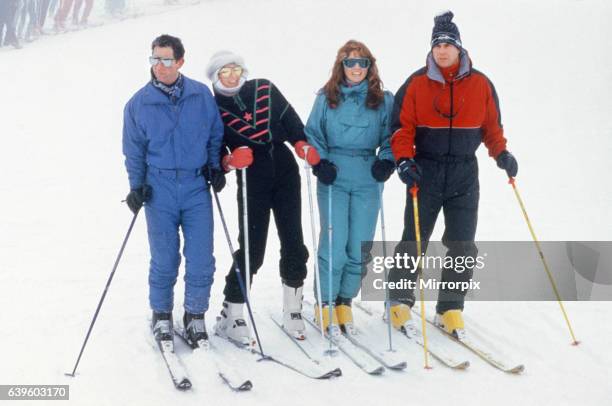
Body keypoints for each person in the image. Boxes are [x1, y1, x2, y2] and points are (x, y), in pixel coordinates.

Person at [388, 11, 518, 338]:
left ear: (459, 48)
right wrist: (404, 161)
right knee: (414, 240)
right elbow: (402, 129)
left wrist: (501, 153)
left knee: (463, 245)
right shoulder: (416, 83)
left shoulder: (481, 85)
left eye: (448, 44)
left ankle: (449, 307)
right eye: (437, 45)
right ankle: (399, 299)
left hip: (464, 172)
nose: (442, 50)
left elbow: (492, 128)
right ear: (431, 50)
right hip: (426, 170)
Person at [205, 51, 320, 343]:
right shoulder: (212, 107)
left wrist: (301, 144)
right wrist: (229, 161)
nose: (231, 76)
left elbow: (292, 122)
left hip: (283, 168)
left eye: (235, 69)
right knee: (252, 247)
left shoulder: (264, 88)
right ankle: (233, 311)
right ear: (215, 77)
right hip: (251, 175)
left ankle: (293, 309)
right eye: (224, 72)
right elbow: (215, 149)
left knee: (293, 239)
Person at [122, 35, 225, 347]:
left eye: (166, 60)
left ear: (180, 61)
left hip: (195, 186)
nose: (160, 66)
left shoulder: (200, 95)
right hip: (159, 188)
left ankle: (194, 315)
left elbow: (214, 133)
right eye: (155, 59)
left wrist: (213, 166)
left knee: (200, 256)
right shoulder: (138, 103)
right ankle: (162, 314)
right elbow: (134, 150)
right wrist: (136, 187)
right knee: (164, 257)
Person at [304, 40, 395, 334]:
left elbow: (394, 135)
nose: (356, 68)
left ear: (370, 67)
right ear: (341, 66)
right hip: (336, 174)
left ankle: (345, 300)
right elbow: (313, 133)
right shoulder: (326, 97)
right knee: (335, 242)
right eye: (350, 62)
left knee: (358, 245)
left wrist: (387, 160)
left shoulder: (382, 99)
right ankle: (326, 302)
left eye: (362, 63)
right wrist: (321, 163)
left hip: (368, 175)